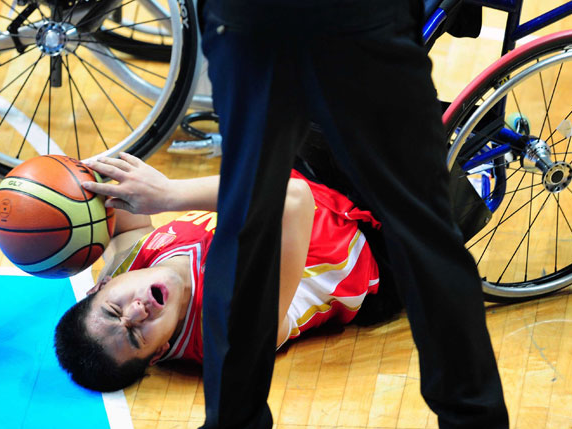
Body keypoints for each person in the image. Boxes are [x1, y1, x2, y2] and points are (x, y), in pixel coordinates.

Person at [136, 0, 510, 429]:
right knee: (421, 224)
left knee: (247, 226)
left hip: (248, 8)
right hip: (356, 0)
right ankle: (475, 425)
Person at [55, 153, 401, 391]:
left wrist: (81, 183)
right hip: (379, 235)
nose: (136, 312)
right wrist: (169, 193)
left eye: (113, 310)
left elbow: (125, 219)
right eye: (135, 336)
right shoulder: (229, 332)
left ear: (103, 285)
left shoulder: (128, 264)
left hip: (301, 171)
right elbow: (293, 200)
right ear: (159, 352)